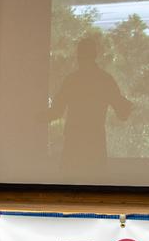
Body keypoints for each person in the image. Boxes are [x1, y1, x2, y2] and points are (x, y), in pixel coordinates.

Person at [49, 33, 132, 176]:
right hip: (95, 145)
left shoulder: (72, 80)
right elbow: (123, 114)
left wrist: (33, 117)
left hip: (73, 146)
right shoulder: (105, 80)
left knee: (69, 188)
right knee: (95, 187)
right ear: (95, 55)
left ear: (78, 56)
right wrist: (128, 106)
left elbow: (56, 112)